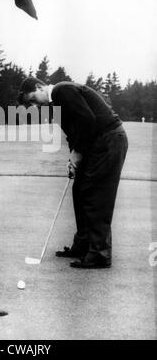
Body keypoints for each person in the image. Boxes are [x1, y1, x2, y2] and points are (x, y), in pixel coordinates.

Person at [18, 77, 128, 269]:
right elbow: (73, 132)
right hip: (95, 143)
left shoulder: (62, 90)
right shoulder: (54, 106)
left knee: (96, 195)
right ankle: (83, 245)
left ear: (39, 87)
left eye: (33, 99)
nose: (34, 105)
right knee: (80, 190)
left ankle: (100, 254)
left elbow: (88, 120)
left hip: (109, 140)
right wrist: (73, 156)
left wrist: (78, 152)